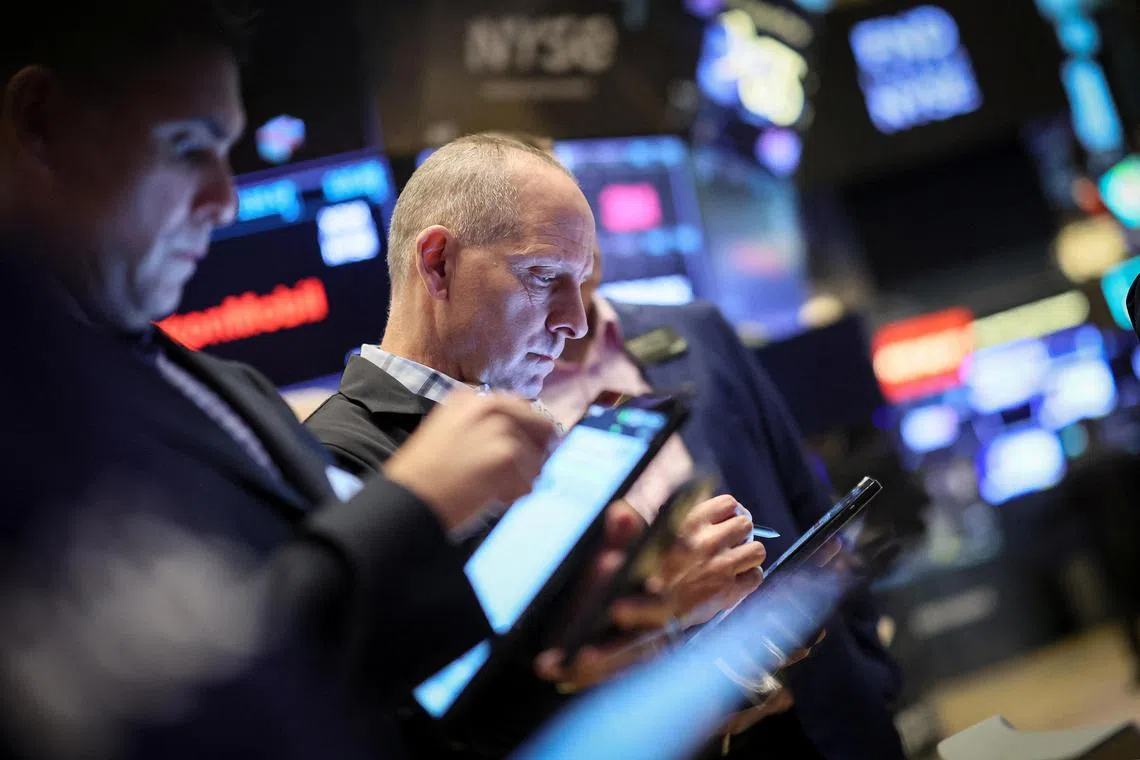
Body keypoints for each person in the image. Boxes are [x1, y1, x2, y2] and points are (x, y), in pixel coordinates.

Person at [0, 5, 566, 757]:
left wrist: (573, 652)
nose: (223, 199)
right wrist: (412, 510)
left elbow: (384, 692)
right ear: (39, 122)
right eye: (185, 147)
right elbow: (183, 708)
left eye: (226, 149)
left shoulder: (218, 383)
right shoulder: (31, 418)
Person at [304, 133, 768, 754]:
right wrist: (659, 613)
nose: (573, 320)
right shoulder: (334, 465)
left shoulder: (538, 427)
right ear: (437, 262)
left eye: (579, 282)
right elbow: (414, 727)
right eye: (544, 276)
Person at [538, 246, 907, 759]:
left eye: (580, 237)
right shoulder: (504, 394)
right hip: (678, 728)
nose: (574, 259)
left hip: (818, 692)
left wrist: (870, 662)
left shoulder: (696, 329)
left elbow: (800, 490)